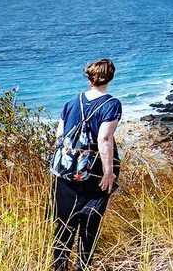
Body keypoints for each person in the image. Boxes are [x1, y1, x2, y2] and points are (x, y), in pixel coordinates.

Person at [51, 58, 122, 271]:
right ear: (110, 77)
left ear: (89, 77)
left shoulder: (72, 101)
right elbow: (105, 139)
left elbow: (60, 135)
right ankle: (83, 266)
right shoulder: (111, 104)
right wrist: (109, 173)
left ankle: (59, 266)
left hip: (66, 171)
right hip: (94, 172)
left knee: (64, 223)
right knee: (90, 223)